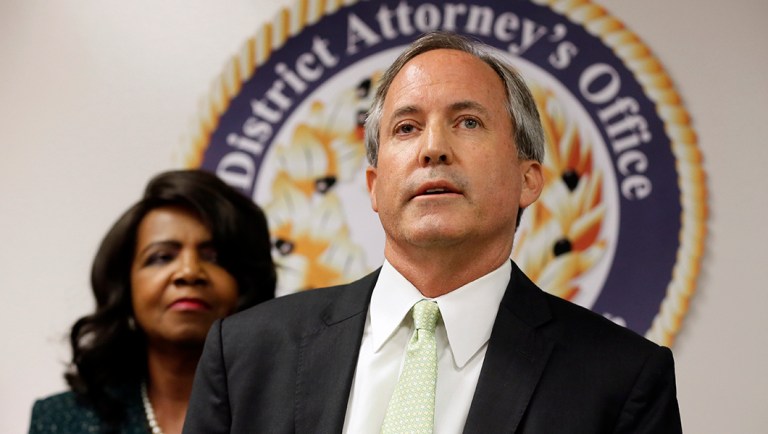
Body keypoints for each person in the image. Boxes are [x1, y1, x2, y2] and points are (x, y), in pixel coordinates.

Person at [183, 31, 682, 433]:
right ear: (374, 187)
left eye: (467, 122)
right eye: (406, 127)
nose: (433, 149)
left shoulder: (621, 380)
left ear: (528, 180)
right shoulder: (246, 352)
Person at [29, 169, 276, 434]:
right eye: (161, 257)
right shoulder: (63, 419)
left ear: (245, 283)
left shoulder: (291, 413)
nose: (189, 272)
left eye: (213, 257)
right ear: (125, 287)